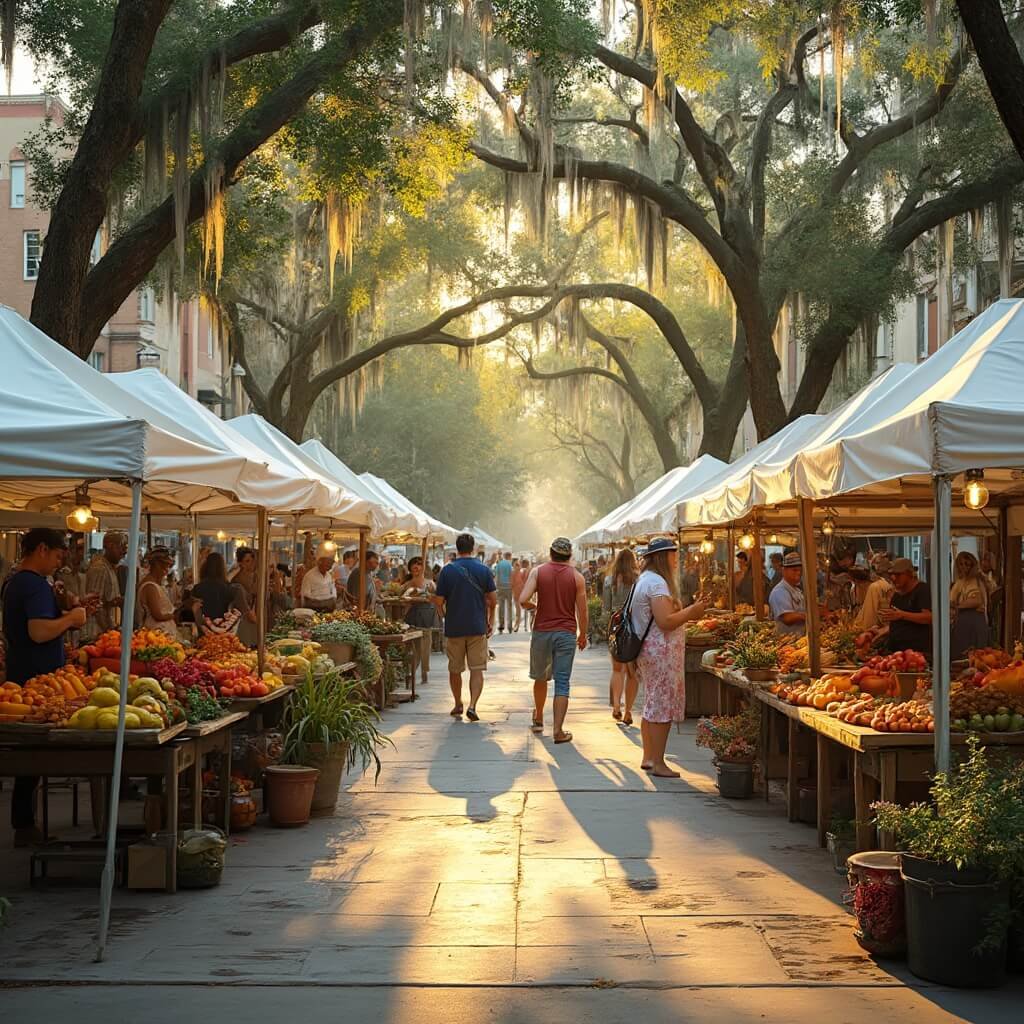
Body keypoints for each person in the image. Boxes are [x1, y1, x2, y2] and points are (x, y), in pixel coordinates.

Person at [3, 529, 90, 845]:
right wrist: (71, 620)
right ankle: (24, 825)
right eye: (56, 555)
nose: (58, 562)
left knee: (31, 755)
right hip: (36, 680)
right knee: (34, 755)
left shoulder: (16, 582)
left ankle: (25, 823)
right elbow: (38, 632)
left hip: (25, 675)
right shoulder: (33, 585)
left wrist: (69, 612)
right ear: (41, 549)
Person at [631, 537, 705, 778]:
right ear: (663, 557)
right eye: (673, 555)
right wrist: (691, 611)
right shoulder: (657, 584)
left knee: (652, 702)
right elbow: (665, 621)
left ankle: (649, 757)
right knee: (660, 705)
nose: (676, 560)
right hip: (660, 652)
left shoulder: (645, 580)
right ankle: (659, 762)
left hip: (650, 652)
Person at [518, 537, 588, 744]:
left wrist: (535, 607)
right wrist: (583, 634)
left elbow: (523, 600)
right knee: (562, 682)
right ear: (570, 555)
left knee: (540, 677)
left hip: (542, 632)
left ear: (550, 552)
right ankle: (558, 731)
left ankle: (539, 716)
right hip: (566, 633)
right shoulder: (577, 577)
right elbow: (582, 611)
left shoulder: (537, 572)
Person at [433, 533, 496, 721]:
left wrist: (444, 616)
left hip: (454, 628)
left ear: (457, 548)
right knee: (477, 669)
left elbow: (438, 601)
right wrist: (490, 621)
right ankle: (473, 705)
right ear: (473, 548)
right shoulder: (484, 570)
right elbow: (493, 600)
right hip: (477, 627)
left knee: (455, 669)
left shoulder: (447, 571)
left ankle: (458, 703)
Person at [604, 547, 640, 725]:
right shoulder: (638, 580)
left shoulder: (609, 580)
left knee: (617, 669)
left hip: (616, 628)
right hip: (634, 629)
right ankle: (628, 712)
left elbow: (606, 607)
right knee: (632, 673)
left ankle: (616, 706)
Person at [881, 557, 932, 656]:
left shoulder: (922, 590)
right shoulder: (897, 595)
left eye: (898, 574)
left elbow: (928, 618)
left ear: (909, 574)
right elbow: (896, 623)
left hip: (916, 652)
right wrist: (878, 632)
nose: (893, 578)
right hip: (895, 652)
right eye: (891, 574)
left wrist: (902, 615)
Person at [83, 531, 127, 639]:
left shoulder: (110, 568)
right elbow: (94, 604)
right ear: (110, 546)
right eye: (122, 547)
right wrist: (108, 631)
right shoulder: (100, 568)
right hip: (96, 633)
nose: (125, 551)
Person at [190, 552, 248, 631]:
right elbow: (244, 612)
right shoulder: (231, 589)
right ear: (223, 568)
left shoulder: (197, 588)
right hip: (226, 630)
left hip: (204, 629)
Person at [403, 556, 437, 686]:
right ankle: (410, 672)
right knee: (412, 647)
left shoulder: (430, 583)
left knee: (425, 647)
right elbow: (402, 599)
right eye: (414, 564)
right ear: (410, 568)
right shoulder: (407, 584)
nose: (416, 567)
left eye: (419, 564)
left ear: (423, 567)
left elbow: (437, 598)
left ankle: (424, 672)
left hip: (426, 617)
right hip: (411, 618)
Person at [951, 551, 989, 661]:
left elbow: (976, 600)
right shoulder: (961, 581)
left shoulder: (974, 581)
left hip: (972, 623)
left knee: (971, 657)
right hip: (961, 623)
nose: (963, 567)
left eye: (967, 564)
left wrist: (957, 606)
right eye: (961, 564)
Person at [136, 546, 178, 639]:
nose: (167, 570)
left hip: (162, 636)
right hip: (155, 636)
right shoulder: (150, 586)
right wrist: (173, 615)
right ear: (156, 564)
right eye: (165, 566)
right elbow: (157, 615)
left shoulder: (156, 584)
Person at [769, 551, 808, 636]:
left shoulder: (796, 589)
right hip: (787, 643)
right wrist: (810, 616)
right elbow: (787, 618)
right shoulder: (779, 591)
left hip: (799, 641)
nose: (798, 573)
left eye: (800, 570)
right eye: (794, 570)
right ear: (784, 570)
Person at [853, 554, 894, 632]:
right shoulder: (891, 584)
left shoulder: (875, 587)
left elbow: (869, 618)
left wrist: (860, 630)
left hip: (882, 630)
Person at [233, 546, 259, 646]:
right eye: (247, 561)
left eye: (252, 560)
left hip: (254, 613)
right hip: (243, 619)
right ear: (240, 563)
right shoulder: (237, 580)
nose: (251, 563)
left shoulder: (256, 576)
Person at [301, 544, 339, 611]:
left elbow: (333, 592)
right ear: (320, 562)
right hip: (314, 610)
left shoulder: (329, 576)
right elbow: (305, 597)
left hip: (329, 610)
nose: (330, 565)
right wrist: (321, 603)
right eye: (328, 562)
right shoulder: (309, 576)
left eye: (331, 563)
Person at [493, 551, 514, 633]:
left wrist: (497, 587)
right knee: (509, 607)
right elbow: (511, 576)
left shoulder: (499, 564)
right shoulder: (509, 565)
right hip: (508, 587)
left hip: (500, 587)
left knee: (501, 607)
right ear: (510, 557)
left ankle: (501, 626)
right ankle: (510, 626)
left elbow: (497, 576)